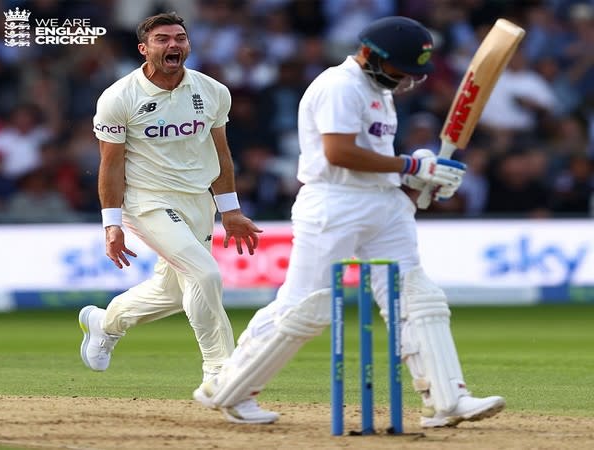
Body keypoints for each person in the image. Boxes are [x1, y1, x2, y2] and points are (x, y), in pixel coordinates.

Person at [194, 16, 505, 428]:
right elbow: (339, 153)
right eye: (401, 69)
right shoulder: (339, 86)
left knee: (417, 296)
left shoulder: (379, 88)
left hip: (383, 204)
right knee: (304, 306)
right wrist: (411, 163)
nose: (406, 80)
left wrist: (416, 174)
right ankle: (230, 387)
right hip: (334, 203)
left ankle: (447, 397)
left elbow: (375, 155)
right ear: (371, 55)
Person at [78, 12, 278, 424]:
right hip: (146, 202)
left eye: (180, 38)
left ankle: (106, 322)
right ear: (144, 48)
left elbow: (220, 154)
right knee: (205, 275)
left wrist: (231, 210)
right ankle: (223, 377)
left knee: (174, 291)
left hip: (196, 202)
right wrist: (111, 222)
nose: (174, 45)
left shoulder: (213, 91)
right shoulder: (119, 97)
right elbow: (111, 166)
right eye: (163, 39)